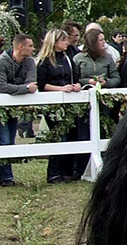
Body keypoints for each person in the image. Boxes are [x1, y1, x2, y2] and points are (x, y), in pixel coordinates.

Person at [36, 29, 82, 183]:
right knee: (59, 136)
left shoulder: (68, 58)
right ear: (55, 42)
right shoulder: (44, 61)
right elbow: (41, 84)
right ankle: (54, 173)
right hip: (53, 104)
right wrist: (60, 89)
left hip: (69, 103)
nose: (66, 43)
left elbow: (76, 76)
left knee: (72, 135)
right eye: (63, 40)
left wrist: (76, 85)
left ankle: (68, 170)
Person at [0, 34, 38, 187]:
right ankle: (6, 177)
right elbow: (1, 86)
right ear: (20, 47)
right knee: (4, 140)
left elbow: (33, 83)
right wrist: (24, 88)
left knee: (10, 140)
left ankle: (5, 175)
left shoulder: (29, 62)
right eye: (30, 46)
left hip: (14, 109)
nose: (33, 48)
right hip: (1, 109)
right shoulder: (2, 61)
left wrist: (23, 88)